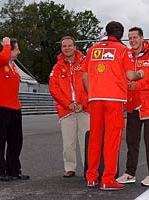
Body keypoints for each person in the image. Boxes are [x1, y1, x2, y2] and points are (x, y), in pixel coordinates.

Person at [82, 21, 144, 191]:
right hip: (114, 100)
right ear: (121, 35)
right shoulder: (124, 50)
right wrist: (140, 74)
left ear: (106, 32)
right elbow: (130, 75)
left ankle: (91, 177)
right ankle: (107, 179)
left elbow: (85, 76)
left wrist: (91, 93)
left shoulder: (92, 49)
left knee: (95, 138)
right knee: (111, 140)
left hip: (95, 99)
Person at [116, 27, 149, 186]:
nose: (132, 41)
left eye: (135, 37)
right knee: (131, 141)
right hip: (132, 105)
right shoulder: (126, 57)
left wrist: (136, 85)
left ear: (142, 38)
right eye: (129, 38)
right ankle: (130, 173)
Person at [0, 37, 29, 181]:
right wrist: (6, 43)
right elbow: (3, 58)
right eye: (17, 49)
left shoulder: (13, 65)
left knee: (16, 141)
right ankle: (0, 171)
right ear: (8, 50)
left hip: (14, 108)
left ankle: (13, 170)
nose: (19, 52)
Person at [49, 36, 89, 178]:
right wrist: (68, 104)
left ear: (75, 46)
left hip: (85, 109)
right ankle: (70, 167)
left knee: (87, 141)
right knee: (68, 142)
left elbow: (91, 84)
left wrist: (83, 103)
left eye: (69, 45)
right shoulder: (57, 67)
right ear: (61, 48)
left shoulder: (85, 62)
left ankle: (88, 168)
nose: (67, 48)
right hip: (66, 110)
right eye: (64, 46)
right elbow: (54, 89)